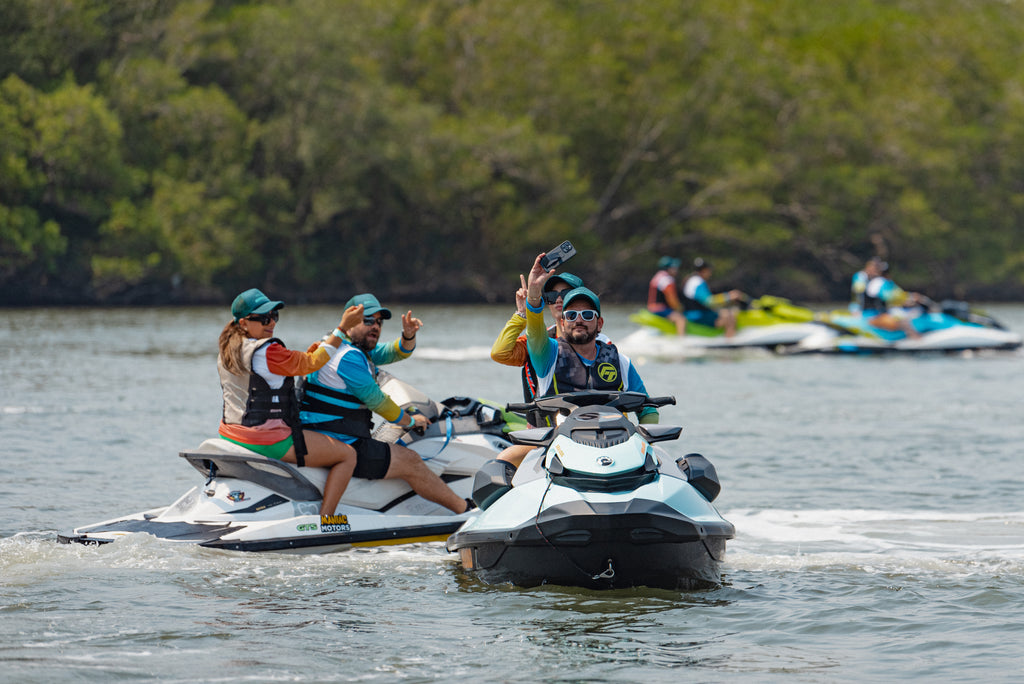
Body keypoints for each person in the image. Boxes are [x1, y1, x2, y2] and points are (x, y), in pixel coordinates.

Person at [299, 293, 472, 514]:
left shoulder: (344, 346)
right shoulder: (346, 357)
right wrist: (410, 420)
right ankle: (464, 511)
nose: (376, 327)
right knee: (411, 461)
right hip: (340, 441)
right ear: (349, 320)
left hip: (330, 434)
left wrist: (407, 336)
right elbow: (378, 402)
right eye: (368, 320)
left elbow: (393, 352)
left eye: (379, 322)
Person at [496, 255, 659, 468]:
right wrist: (532, 299)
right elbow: (530, 332)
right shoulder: (546, 352)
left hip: (616, 443)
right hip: (554, 441)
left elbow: (648, 408)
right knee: (502, 462)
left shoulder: (618, 359)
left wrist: (646, 441)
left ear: (599, 323)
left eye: (587, 314)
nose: (579, 319)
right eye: (571, 315)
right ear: (563, 321)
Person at [217, 288, 364, 517]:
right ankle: (327, 520)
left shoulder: (228, 349)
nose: (272, 323)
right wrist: (342, 329)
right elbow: (310, 364)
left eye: (274, 316)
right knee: (347, 455)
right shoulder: (268, 350)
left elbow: (274, 372)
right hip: (267, 439)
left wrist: (308, 356)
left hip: (231, 433)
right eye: (264, 318)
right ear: (244, 323)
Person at [681, 258, 746, 338]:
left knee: (724, 312)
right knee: (729, 316)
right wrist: (730, 296)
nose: (710, 273)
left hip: (693, 313)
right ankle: (731, 343)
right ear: (705, 270)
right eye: (709, 270)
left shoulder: (692, 280)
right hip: (696, 315)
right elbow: (710, 301)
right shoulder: (697, 282)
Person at [862, 263, 923, 338]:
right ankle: (916, 340)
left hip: (883, 313)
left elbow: (898, 293)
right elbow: (888, 296)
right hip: (872, 316)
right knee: (902, 321)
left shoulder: (888, 282)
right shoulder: (878, 282)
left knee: (908, 315)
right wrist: (909, 299)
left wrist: (911, 297)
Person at [647, 256, 687, 335]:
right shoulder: (667, 279)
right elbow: (671, 299)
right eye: (674, 267)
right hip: (660, 309)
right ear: (668, 268)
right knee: (681, 320)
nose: (676, 270)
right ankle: (682, 340)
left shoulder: (657, 276)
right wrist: (680, 308)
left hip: (652, 308)